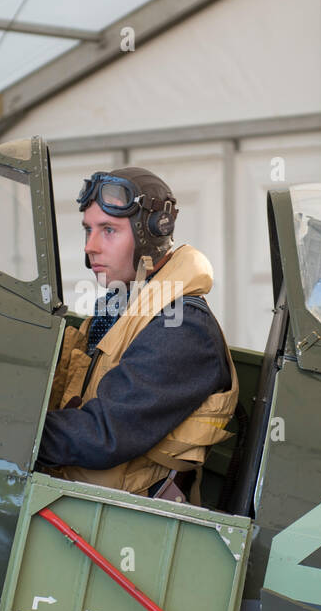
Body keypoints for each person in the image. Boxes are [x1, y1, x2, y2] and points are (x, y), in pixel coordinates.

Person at [37, 166, 239, 504]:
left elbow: (104, 435)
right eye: (88, 230)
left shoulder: (182, 326)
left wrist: (12, 430)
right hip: (76, 501)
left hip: (123, 524)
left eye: (108, 231)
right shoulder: (119, 308)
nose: (90, 246)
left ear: (151, 233)